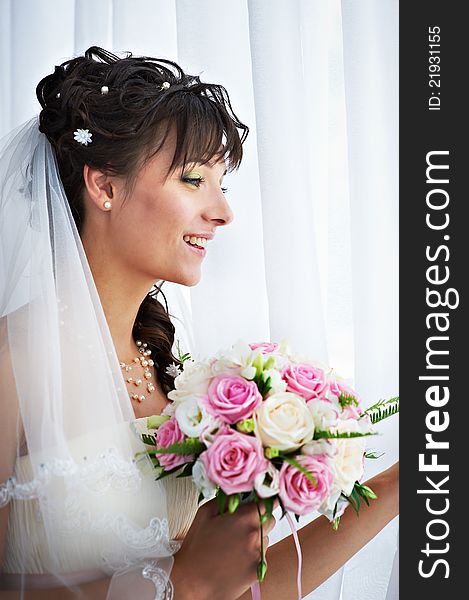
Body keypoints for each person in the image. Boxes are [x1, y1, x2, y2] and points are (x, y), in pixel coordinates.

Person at [0, 46, 398, 599]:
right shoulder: (12, 361)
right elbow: (187, 587)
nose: (223, 212)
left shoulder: (170, 373)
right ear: (104, 187)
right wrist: (179, 582)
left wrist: (404, 483)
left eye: (222, 184)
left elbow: (229, 591)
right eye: (192, 179)